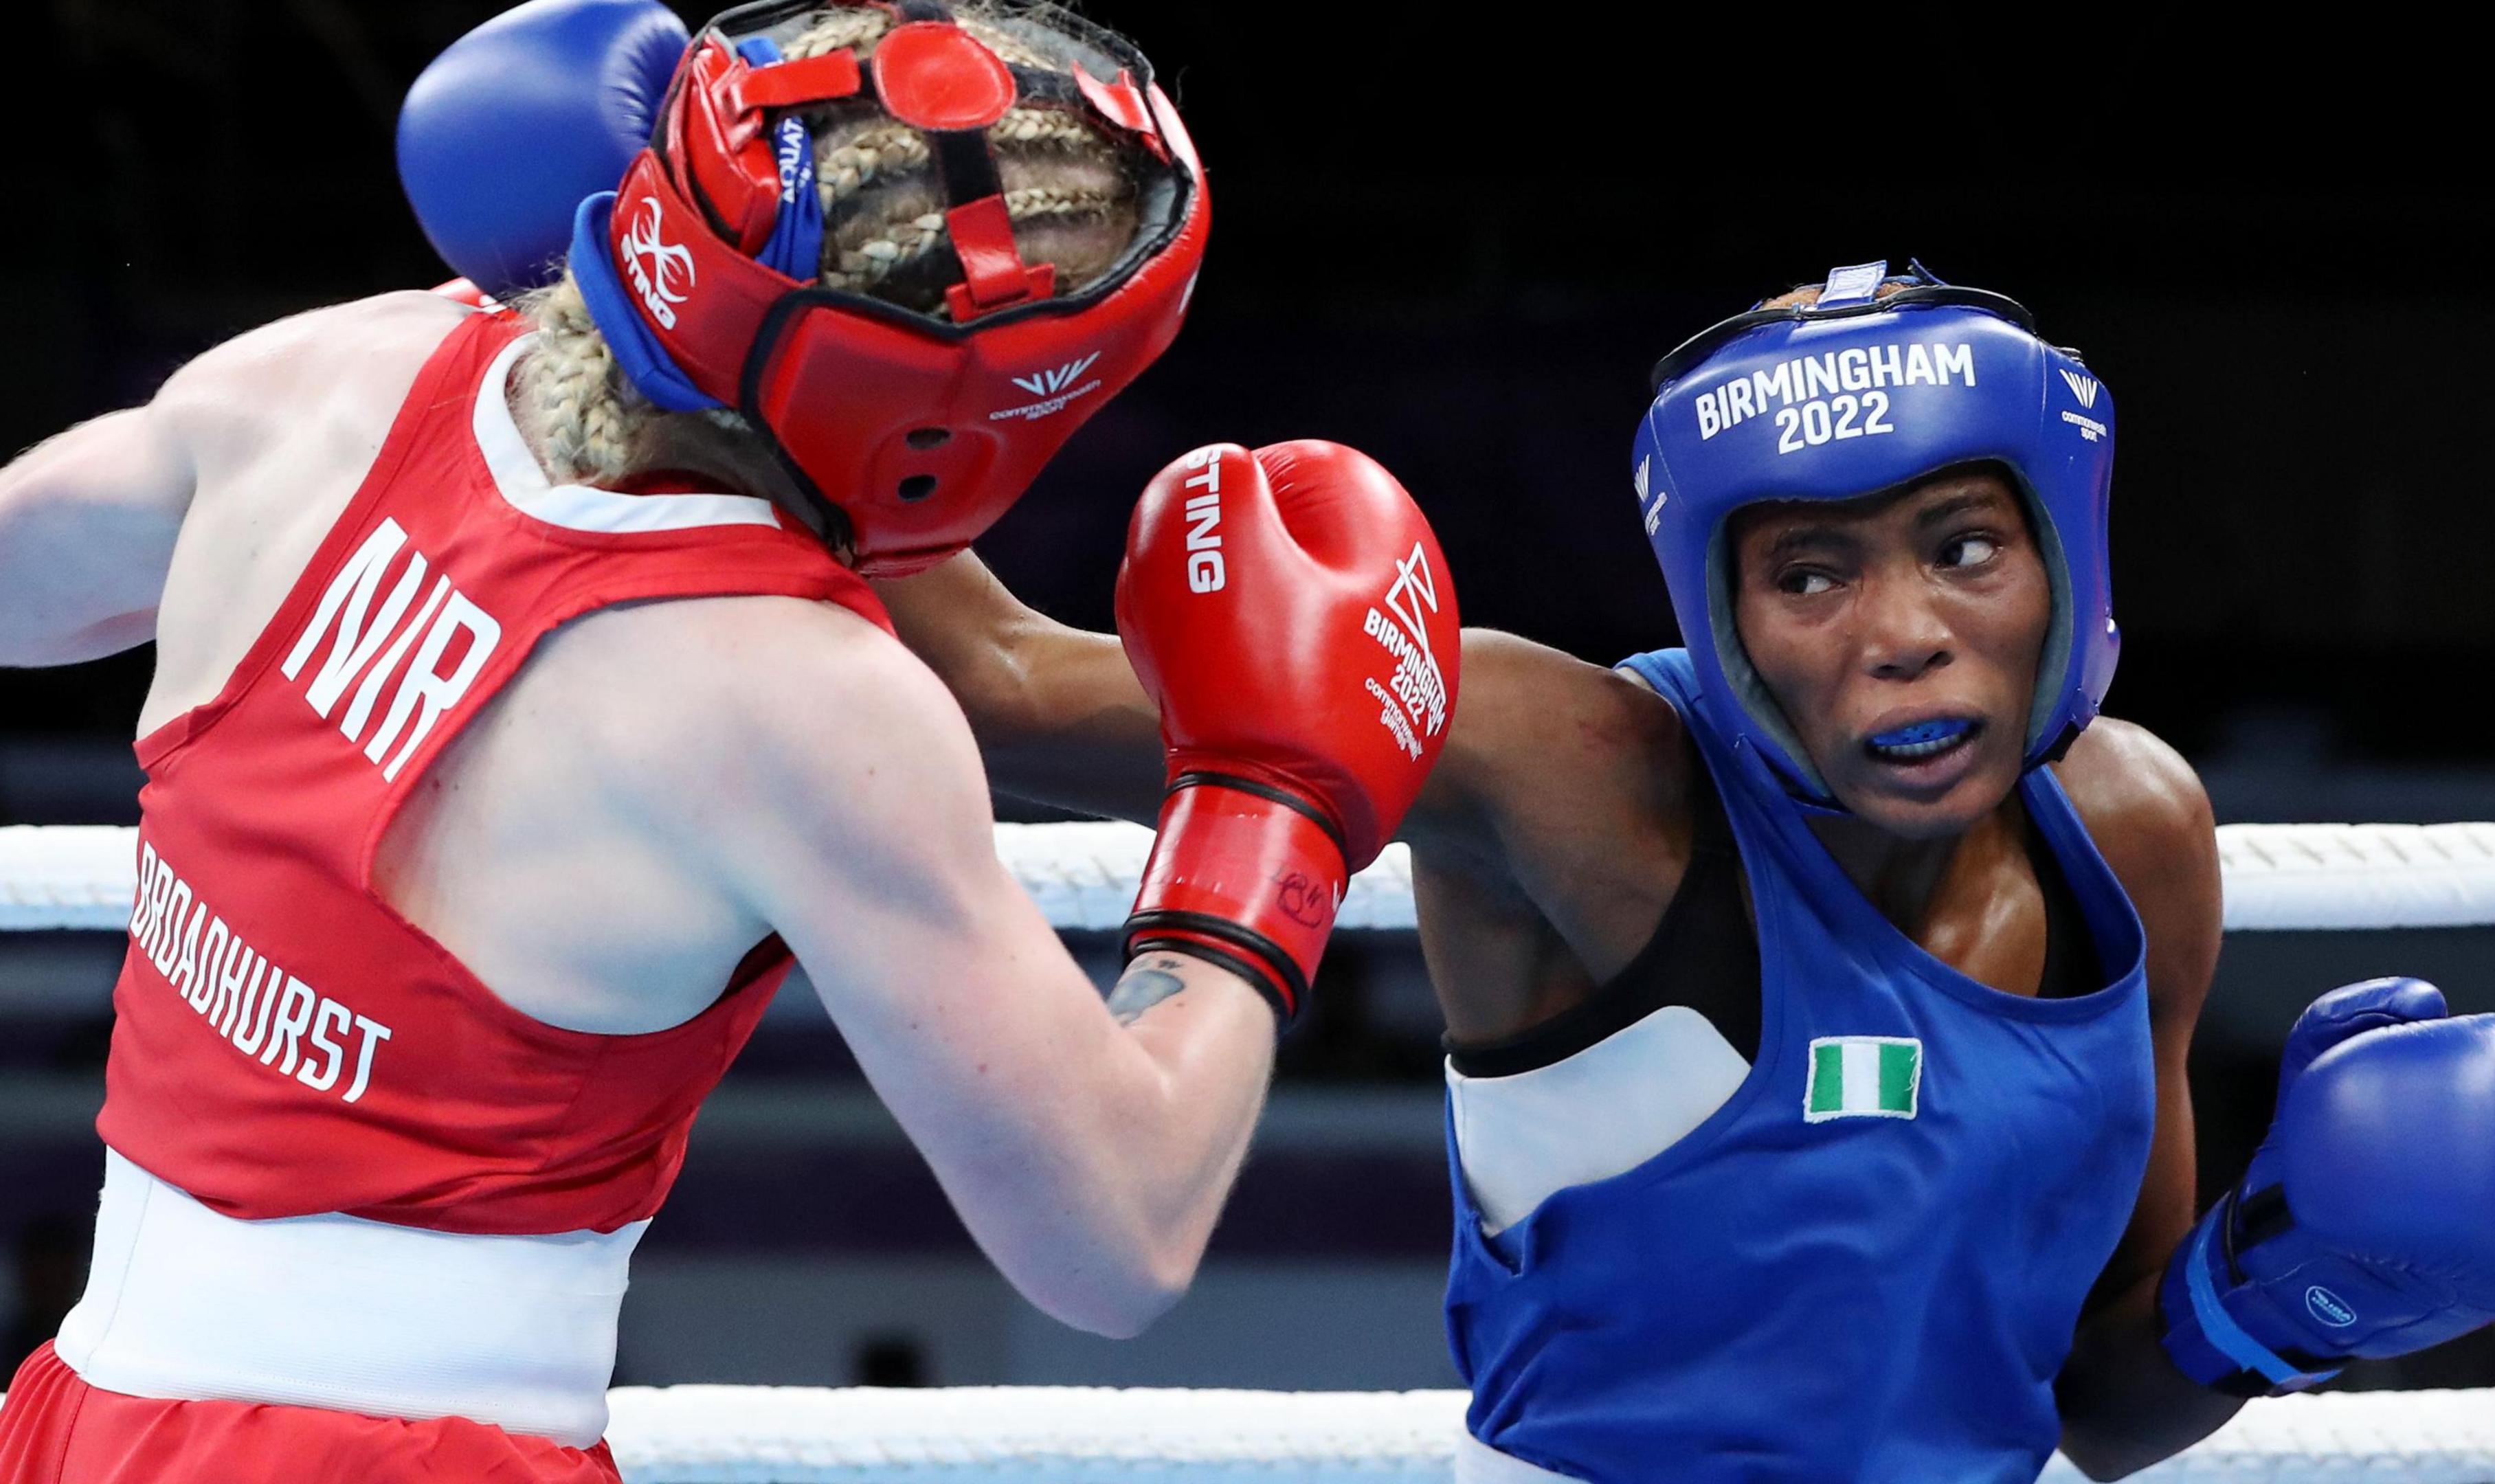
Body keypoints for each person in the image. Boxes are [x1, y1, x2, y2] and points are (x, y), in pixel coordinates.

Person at [0, 2, 1459, 1480]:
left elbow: (21, 590)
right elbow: (1120, 1236)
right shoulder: (797, 702)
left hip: (82, 1418)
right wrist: (1272, 810)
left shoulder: (315, 381)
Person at [863, 265, 2495, 1482]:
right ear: (1724, 615)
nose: (1905, 637)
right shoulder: (1588, 778)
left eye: (1967, 550)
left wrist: (2272, 1296)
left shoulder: (2136, 836)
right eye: (1814, 576)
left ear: (2066, 560)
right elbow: (1004, 684)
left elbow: (2094, 1406)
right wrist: (740, 348)